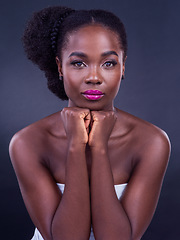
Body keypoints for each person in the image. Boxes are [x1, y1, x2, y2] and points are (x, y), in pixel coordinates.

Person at [9, 6, 171, 240]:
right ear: (59, 67)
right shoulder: (28, 142)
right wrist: (76, 145)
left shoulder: (151, 141)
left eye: (108, 63)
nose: (94, 77)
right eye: (78, 63)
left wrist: (99, 147)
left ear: (123, 66)